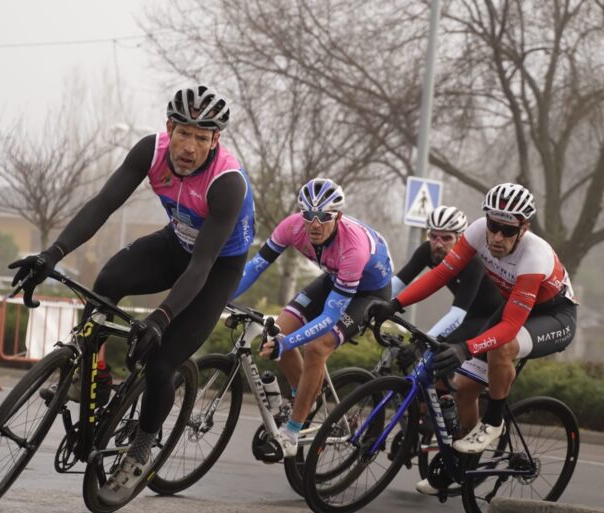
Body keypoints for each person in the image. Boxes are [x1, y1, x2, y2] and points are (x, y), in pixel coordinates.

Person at [8, 85, 255, 504]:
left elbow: (202, 265)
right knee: (107, 283)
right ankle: (94, 374)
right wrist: (52, 254)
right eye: (183, 133)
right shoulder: (151, 151)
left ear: (216, 140)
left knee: (161, 363)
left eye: (201, 137)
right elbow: (103, 204)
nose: (189, 147)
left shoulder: (226, 183)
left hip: (215, 267)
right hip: (175, 242)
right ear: (169, 128)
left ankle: (141, 450)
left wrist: (162, 316)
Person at [367, 183, 577, 494]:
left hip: (553, 316)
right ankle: (464, 465)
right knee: (464, 389)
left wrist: (466, 347)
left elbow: (508, 328)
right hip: (514, 307)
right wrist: (395, 304)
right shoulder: (477, 232)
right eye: (494, 226)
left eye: (507, 230)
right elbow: (440, 276)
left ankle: (493, 422)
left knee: (502, 347)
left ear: (524, 228)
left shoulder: (536, 256)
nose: (497, 237)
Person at [232, 177, 393, 458]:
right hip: (335, 278)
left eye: (323, 216)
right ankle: (307, 397)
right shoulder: (293, 227)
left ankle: (292, 432)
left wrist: (286, 344)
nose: (315, 223)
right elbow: (256, 265)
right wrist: (220, 296)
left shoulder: (353, 247)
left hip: (369, 293)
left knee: (316, 348)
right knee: (275, 330)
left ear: (338, 216)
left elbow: (331, 316)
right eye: (309, 215)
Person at [392, 205, 503, 367]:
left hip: (492, 318)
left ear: (460, 238)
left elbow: (457, 315)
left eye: (446, 238)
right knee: (436, 364)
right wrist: (374, 303)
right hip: (469, 315)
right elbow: (396, 284)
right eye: (433, 236)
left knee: (440, 354)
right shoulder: (427, 251)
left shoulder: (472, 261)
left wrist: (423, 343)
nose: (438, 244)